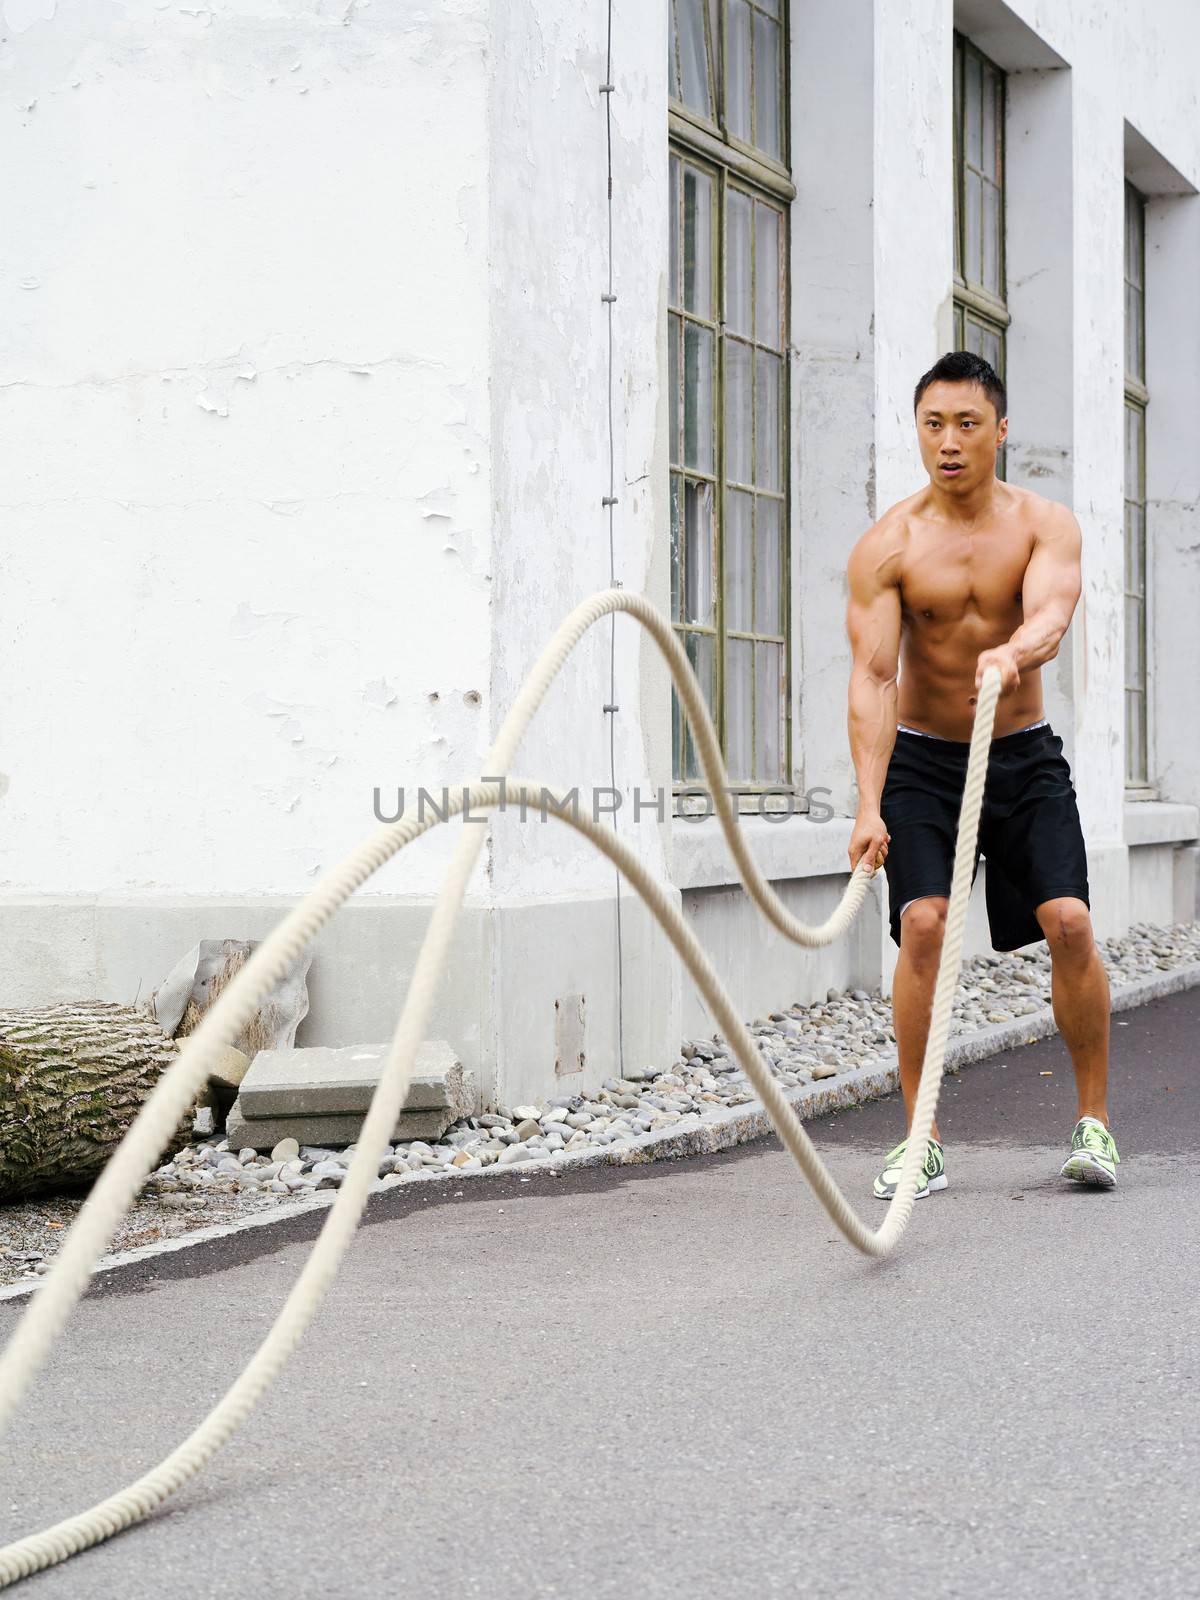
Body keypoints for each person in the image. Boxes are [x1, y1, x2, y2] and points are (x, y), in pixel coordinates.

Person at [844, 350, 1119, 1199]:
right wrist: (866, 803)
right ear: (918, 433)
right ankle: (920, 1138)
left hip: (1022, 750)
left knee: (1069, 921)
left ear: (1001, 430)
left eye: (968, 424)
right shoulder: (889, 544)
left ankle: (1094, 1124)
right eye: (934, 425)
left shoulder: (1043, 523)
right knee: (922, 924)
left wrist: (1013, 651)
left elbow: (1052, 615)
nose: (950, 442)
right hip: (926, 761)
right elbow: (874, 678)